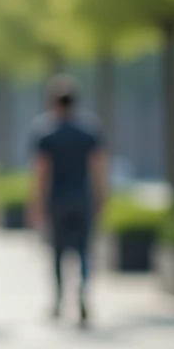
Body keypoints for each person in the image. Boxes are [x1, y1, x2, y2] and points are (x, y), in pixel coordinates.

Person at [28, 75, 108, 328]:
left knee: (58, 253)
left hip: (57, 199)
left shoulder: (45, 132)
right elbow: (98, 168)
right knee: (83, 250)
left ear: (53, 102)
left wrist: (36, 203)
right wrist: (101, 197)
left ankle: (59, 300)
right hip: (82, 198)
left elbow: (40, 172)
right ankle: (83, 293)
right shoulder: (89, 130)